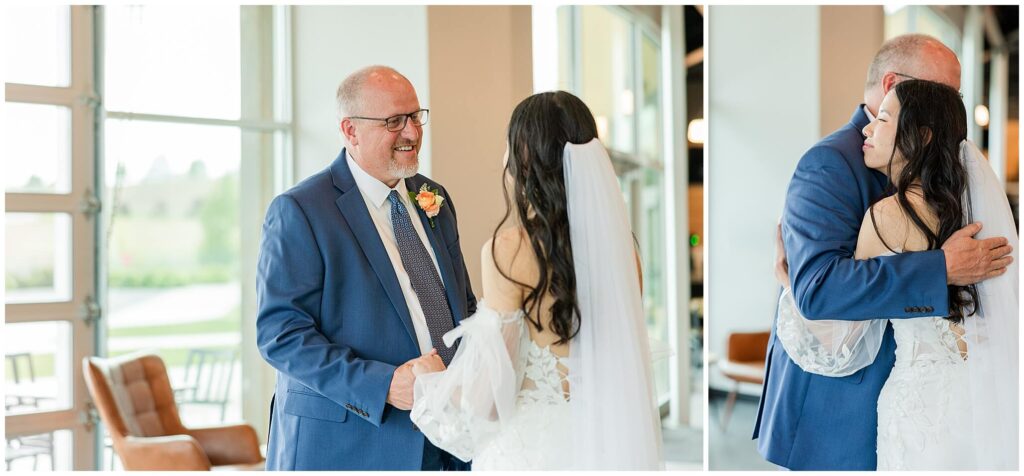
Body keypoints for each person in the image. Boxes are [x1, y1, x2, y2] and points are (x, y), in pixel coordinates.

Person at [753, 34, 1013, 470]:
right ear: (894, 83)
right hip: (839, 410)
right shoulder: (829, 164)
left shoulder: (951, 179)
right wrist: (940, 269)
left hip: (936, 404)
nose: (948, 110)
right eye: (942, 93)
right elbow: (819, 289)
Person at [408, 91, 663, 470]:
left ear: (524, 156)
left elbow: (490, 403)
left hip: (534, 455)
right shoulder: (625, 252)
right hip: (605, 447)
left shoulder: (509, 249)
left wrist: (431, 382)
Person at [256, 65, 475, 470]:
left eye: (415, 116)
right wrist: (385, 385)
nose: (411, 133)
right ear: (350, 130)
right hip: (350, 445)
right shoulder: (301, 211)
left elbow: (463, 304)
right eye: (394, 121)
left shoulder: (434, 198)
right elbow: (280, 335)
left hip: (450, 441)